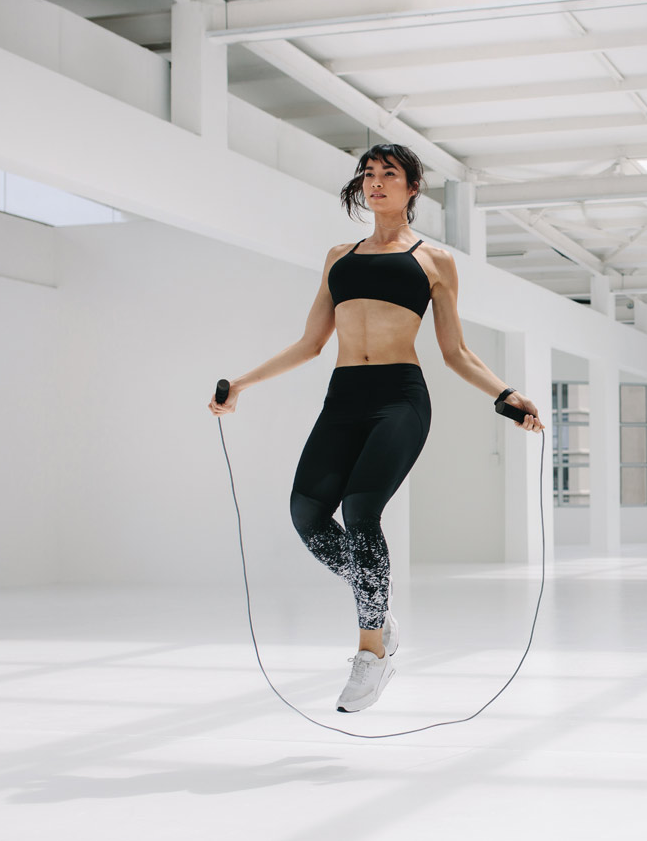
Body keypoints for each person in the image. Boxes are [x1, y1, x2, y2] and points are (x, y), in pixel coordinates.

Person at [209, 143, 543, 714]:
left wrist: (506, 395)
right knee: (307, 515)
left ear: (414, 188)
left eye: (389, 175)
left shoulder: (434, 260)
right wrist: (241, 384)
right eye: (368, 174)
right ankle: (377, 603)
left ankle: (372, 653)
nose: (376, 183)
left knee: (362, 512)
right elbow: (311, 343)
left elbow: (456, 351)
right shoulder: (339, 256)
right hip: (344, 397)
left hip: (400, 399)